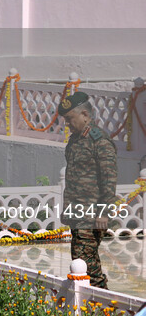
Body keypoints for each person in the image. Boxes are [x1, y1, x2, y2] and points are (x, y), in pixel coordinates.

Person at [58, 91, 117, 289]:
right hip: (77, 212)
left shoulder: (99, 141)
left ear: (84, 115)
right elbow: (73, 179)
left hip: (92, 214)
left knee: (87, 265)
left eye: (69, 119)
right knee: (81, 261)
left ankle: (105, 311)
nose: (67, 124)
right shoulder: (75, 140)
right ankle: (92, 309)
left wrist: (103, 212)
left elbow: (108, 179)